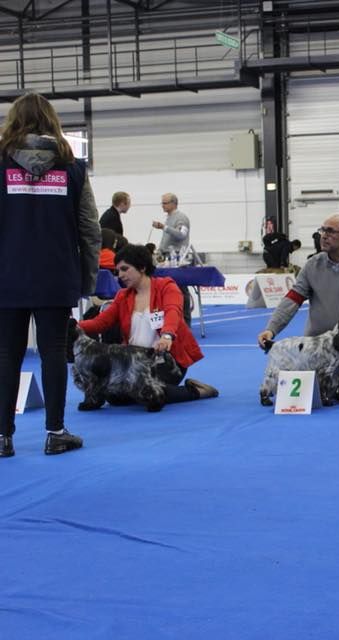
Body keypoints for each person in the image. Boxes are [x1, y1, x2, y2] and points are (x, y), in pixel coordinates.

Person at [0, 92, 100, 457]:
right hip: (57, 274)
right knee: (54, 352)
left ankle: (2, 438)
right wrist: (87, 280)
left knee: (6, 355)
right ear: (52, 121)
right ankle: (56, 432)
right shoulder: (73, 167)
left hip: (7, 274)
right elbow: (90, 229)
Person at [77, 244, 218, 406]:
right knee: (114, 396)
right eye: (118, 271)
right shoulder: (122, 296)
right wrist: (74, 325)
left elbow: (173, 312)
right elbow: (100, 323)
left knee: (146, 390)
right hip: (133, 361)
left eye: (125, 269)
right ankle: (146, 389)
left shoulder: (167, 287)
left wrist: (167, 336)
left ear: (142, 267)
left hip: (165, 360)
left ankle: (196, 390)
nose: (120, 275)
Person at [257, 214, 339, 396]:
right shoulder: (312, 264)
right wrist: (271, 329)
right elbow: (292, 299)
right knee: (315, 389)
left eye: (330, 231)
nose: (323, 235)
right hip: (317, 339)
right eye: (322, 230)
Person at [153, 192, 194, 325]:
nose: (162, 206)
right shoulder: (169, 218)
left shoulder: (181, 217)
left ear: (173, 203)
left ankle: (186, 321)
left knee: (181, 289)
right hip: (166, 256)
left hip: (178, 258)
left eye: (165, 203)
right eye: (162, 203)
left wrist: (164, 227)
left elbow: (182, 235)